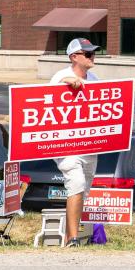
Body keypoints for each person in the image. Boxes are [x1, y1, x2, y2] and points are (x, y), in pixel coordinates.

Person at [50, 37, 101, 247]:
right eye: (87, 54)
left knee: (84, 189)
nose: (92, 57)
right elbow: (47, 97)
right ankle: (71, 238)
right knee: (77, 183)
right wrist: (66, 83)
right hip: (67, 146)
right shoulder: (61, 75)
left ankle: (76, 232)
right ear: (73, 57)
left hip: (89, 145)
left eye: (92, 53)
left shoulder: (95, 78)